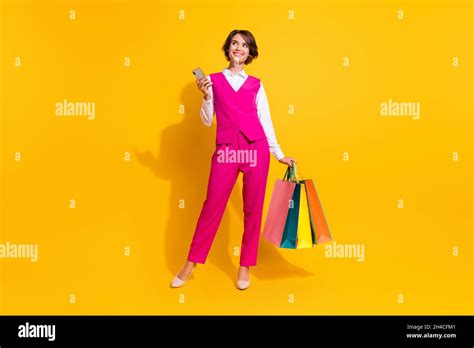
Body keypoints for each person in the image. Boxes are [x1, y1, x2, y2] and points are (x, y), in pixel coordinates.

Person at [171, 29, 296, 290]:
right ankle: (190, 263)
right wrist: (206, 97)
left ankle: (245, 266)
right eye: (235, 43)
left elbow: (266, 121)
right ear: (228, 49)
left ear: (250, 53)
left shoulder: (257, 85)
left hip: (256, 150)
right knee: (212, 205)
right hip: (227, 150)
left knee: (253, 208)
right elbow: (207, 122)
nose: (239, 48)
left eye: (244, 45)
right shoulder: (213, 81)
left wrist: (279, 153)